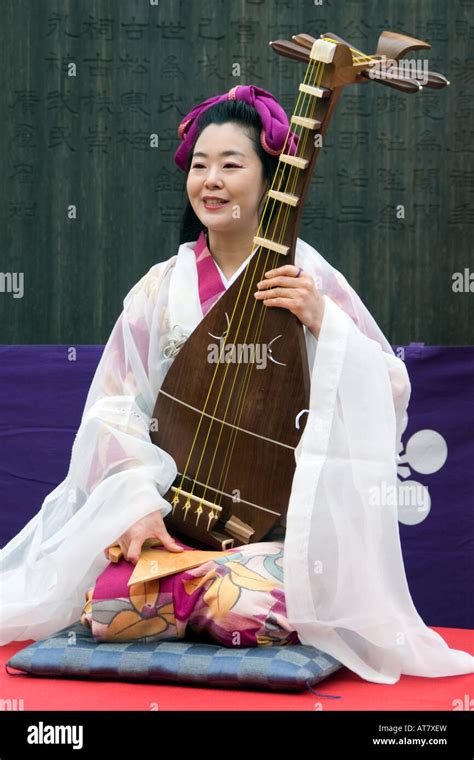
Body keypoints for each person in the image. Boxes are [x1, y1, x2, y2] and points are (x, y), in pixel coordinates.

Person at [1, 85, 473, 685]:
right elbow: (113, 410)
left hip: (275, 530)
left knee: (249, 602)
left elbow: (389, 387)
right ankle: (194, 586)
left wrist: (324, 323)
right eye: (200, 165)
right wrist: (138, 510)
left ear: (272, 180)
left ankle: (214, 591)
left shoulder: (309, 275)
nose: (211, 181)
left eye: (231, 164)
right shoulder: (158, 290)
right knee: (115, 600)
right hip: (171, 529)